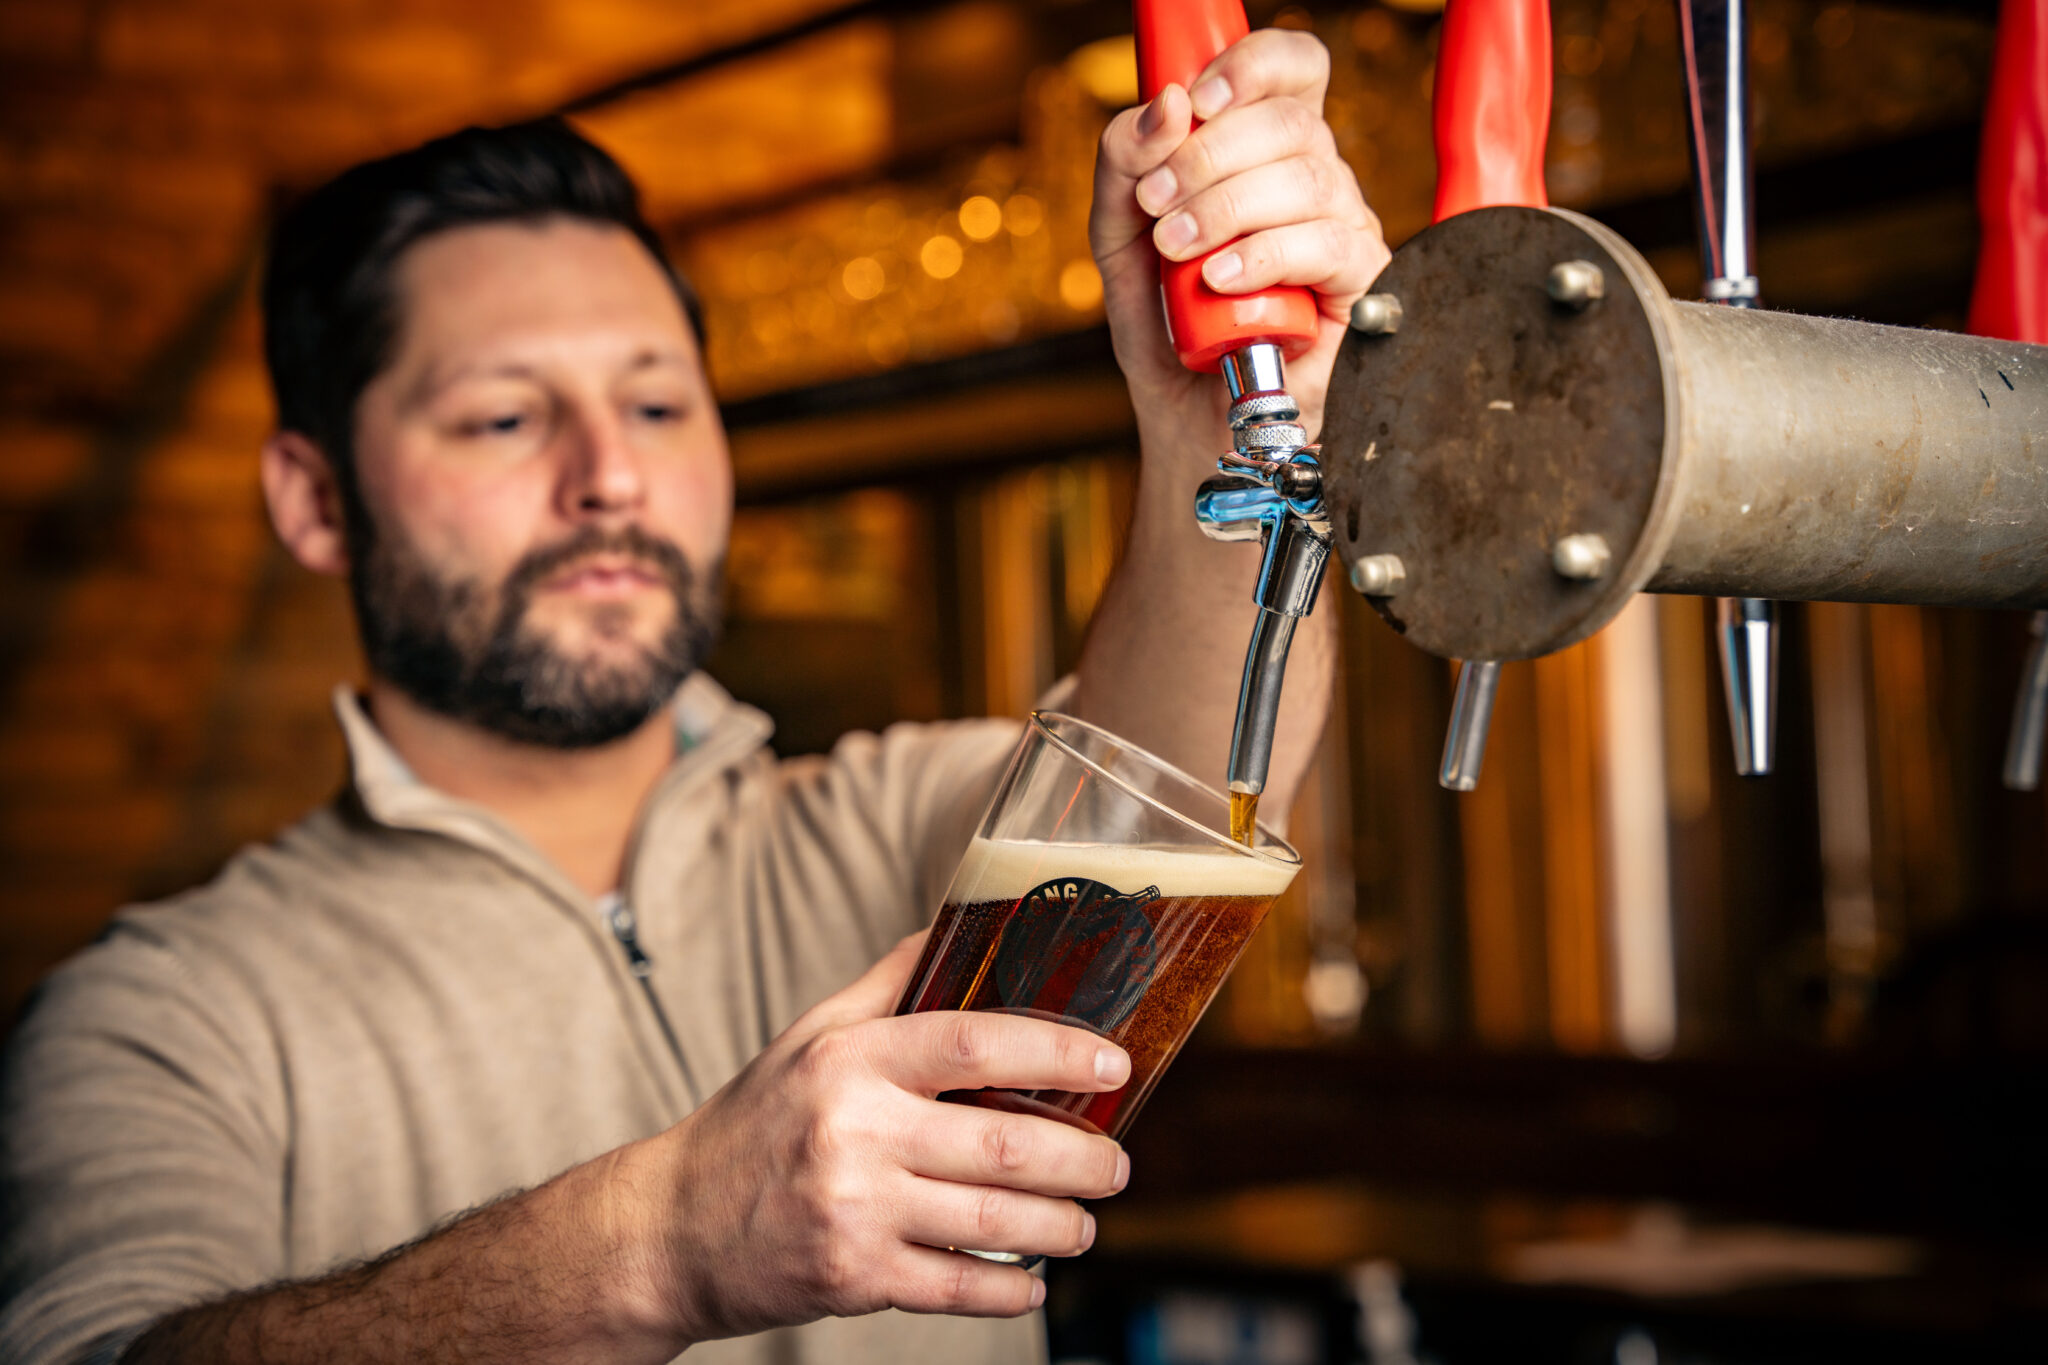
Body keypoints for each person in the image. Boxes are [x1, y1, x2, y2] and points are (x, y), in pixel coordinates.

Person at [0, 29, 1385, 1365]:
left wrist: (1229, 423)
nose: (608, 473)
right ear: (314, 498)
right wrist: (662, 1240)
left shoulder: (898, 832)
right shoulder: (163, 1019)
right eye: (503, 416)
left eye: (658, 405)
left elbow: (1183, 792)